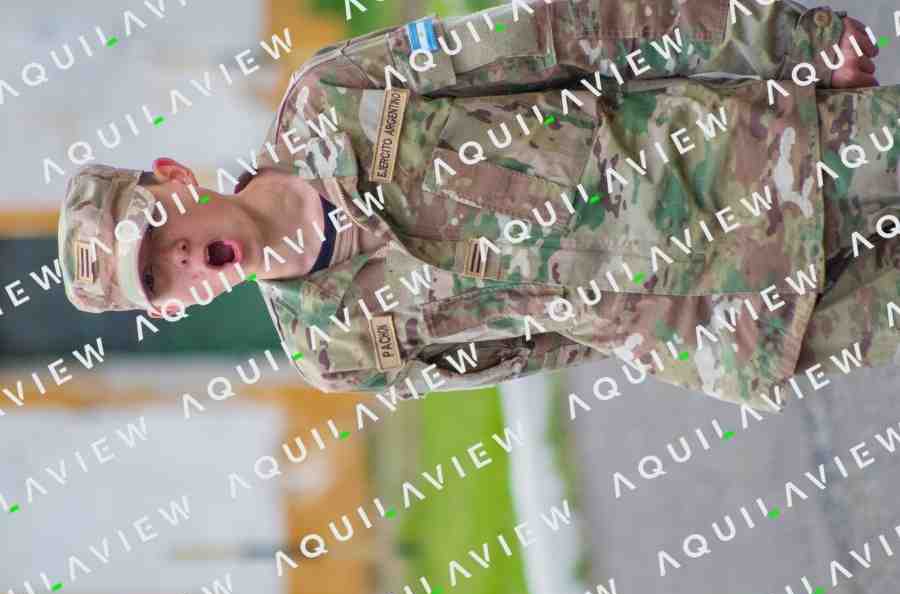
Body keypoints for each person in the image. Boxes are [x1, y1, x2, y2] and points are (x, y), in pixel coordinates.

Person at [58, 0, 899, 412]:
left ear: (174, 178)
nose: (181, 263)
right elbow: (539, 349)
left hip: (758, 159)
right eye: (158, 282)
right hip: (749, 325)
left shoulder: (332, 100)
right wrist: (653, 338)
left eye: (158, 234)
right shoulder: (333, 351)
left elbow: (565, 35)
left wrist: (783, 40)